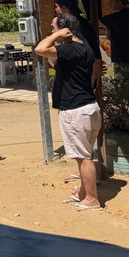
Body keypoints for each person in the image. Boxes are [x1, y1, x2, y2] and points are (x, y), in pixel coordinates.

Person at [35, 11, 102, 212]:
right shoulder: (85, 46)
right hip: (89, 108)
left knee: (83, 158)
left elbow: (40, 48)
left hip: (75, 111)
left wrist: (57, 35)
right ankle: (83, 193)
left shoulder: (70, 50)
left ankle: (92, 199)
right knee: (84, 155)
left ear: (65, 30)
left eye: (54, 28)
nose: (52, 32)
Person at [53, 0, 103, 94]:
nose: (55, 10)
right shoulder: (73, 24)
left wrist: (94, 69)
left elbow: (90, 49)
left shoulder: (80, 25)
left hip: (86, 72)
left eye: (56, 6)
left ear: (64, 8)